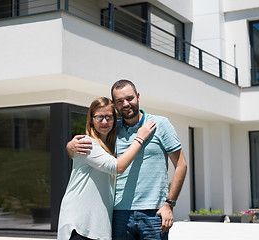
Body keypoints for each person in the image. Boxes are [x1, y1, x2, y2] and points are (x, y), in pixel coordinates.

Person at [67, 80, 187, 239]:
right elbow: (92, 148)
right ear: (115, 105)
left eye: (129, 98)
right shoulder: (111, 129)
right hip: (119, 213)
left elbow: (181, 165)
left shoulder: (160, 124)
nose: (126, 104)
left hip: (154, 213)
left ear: (138, 97)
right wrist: (70, 146)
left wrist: (169, 205)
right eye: (119, 101)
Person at [58, 97, 156, 240]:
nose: (104, 122)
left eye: (108, 117)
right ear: (91, 119)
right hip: (80, 225)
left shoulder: (110, 146)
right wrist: (140, 138)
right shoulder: (87, 143)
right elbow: (117, 167)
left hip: (96, 227)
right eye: (99, 117)